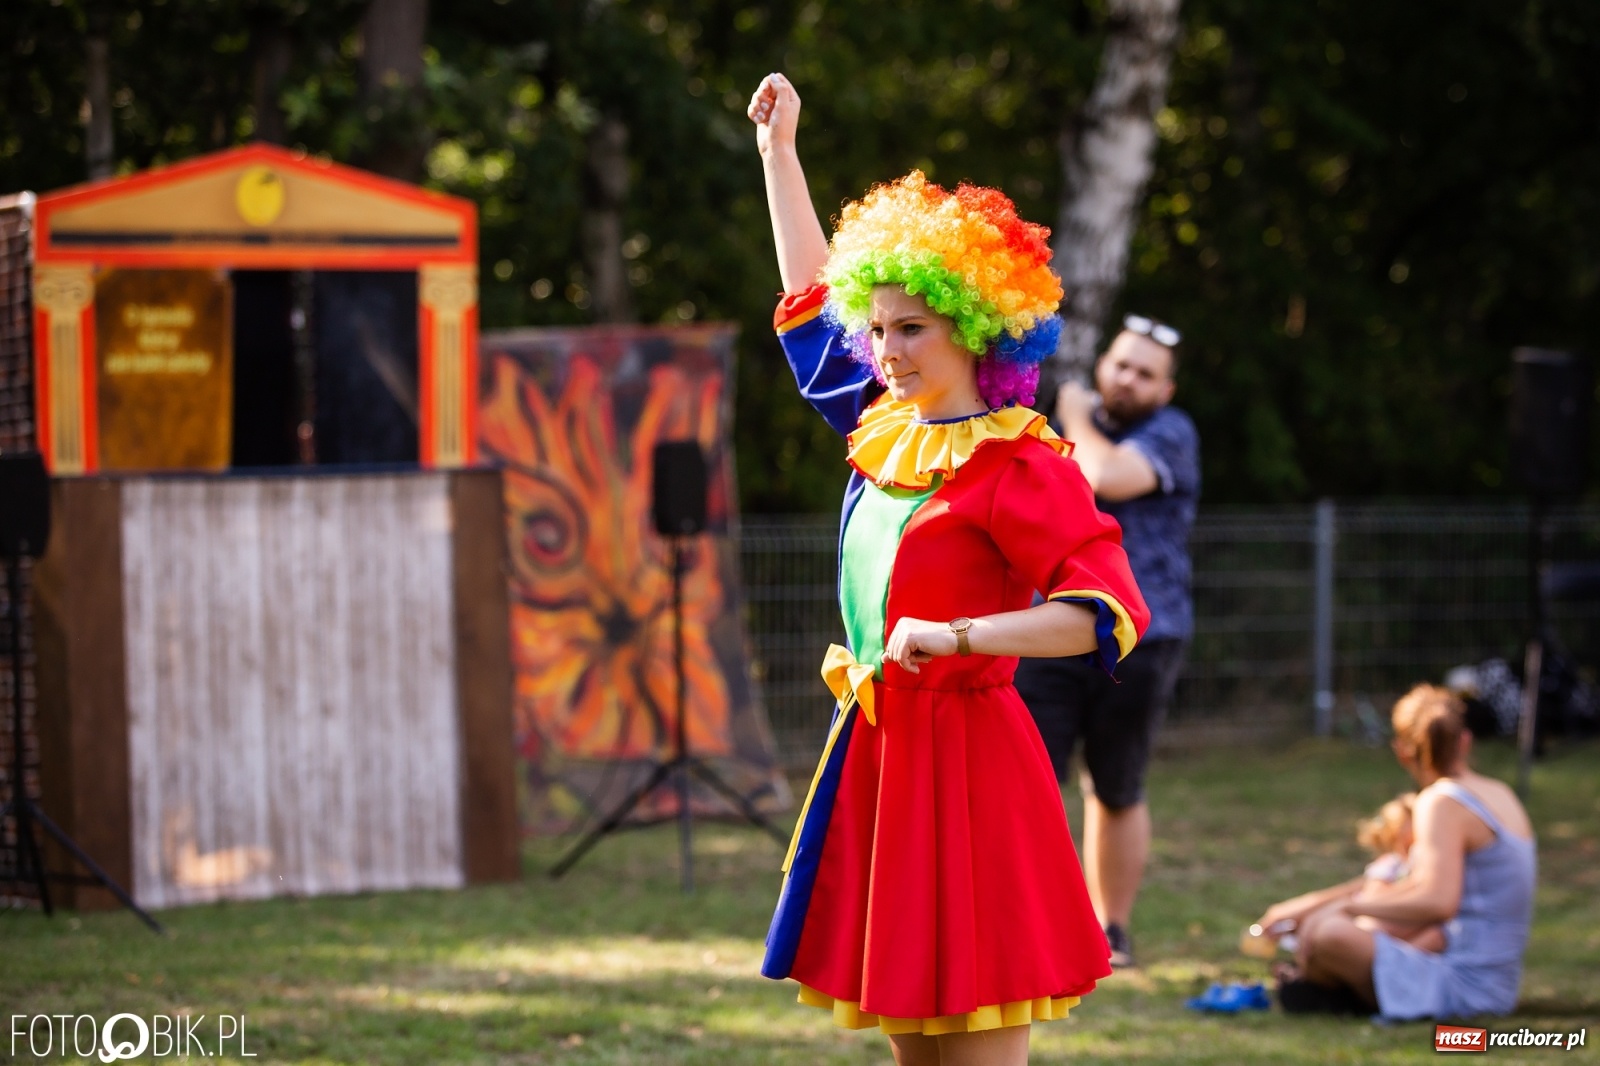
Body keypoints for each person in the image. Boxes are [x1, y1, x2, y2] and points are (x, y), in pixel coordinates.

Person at [747, 73, 1151, 1066]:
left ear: (974, 329)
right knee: (914, 1052)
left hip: (969, 768)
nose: (884, 350)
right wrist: (779, 154)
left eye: (911, 328)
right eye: (878, 327)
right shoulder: (882, 424)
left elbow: (1104, 611)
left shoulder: (1019, 461)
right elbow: (809, 302)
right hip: (882, 760)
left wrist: (961, 637)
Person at [1012, 317, 1199, 968]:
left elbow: (1106, 475)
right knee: (1027, 783)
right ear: (1102, 367)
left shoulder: (1170, 433)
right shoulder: (1046, 429)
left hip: (1144, 637)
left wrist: (1071, 414)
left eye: (1145, 374)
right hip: (1047, 631)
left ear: (1165, 391)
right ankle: (1028, 922)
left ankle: (1111, 930)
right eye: (1121, 365)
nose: (1128, 380)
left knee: (1116, 787)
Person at [1256, 684, 1537, 1018]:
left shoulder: (1441, 802)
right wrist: (1311, 906)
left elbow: (1438, 902)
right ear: (1465, 741)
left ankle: (1338, 993)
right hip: (1494, 983)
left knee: (1328, 935)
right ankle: (1331, 987)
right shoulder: (1499, 792)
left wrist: (1347, 908)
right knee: (1322, 929)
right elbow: (1408, 882)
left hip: (1463, 984)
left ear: (1402, 752)